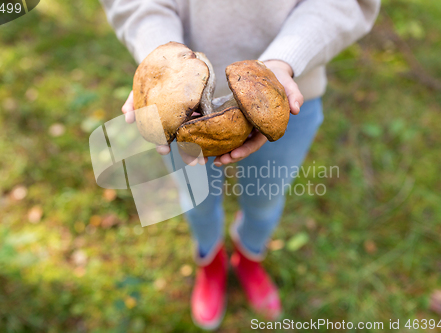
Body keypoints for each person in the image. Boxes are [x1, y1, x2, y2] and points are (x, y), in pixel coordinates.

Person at [100, 0, 380, 329]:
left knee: (265, 199)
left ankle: (249, 255)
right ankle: (210, 259)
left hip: (284, 92)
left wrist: (283, 61)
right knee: (197, 201)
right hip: (171, 109)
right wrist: (160, 56)